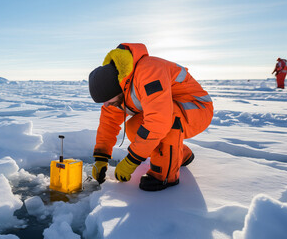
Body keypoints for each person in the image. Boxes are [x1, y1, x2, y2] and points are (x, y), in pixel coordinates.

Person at [88, 43, 213, 191]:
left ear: (118, 87)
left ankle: (164, 176)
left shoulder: (149, 71)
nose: (107, 105)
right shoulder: (119, 90)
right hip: (171, 109)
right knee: (135, 127)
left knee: (163, 120)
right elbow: (107, 124)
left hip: (197, 109)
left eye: (108, 100)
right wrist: (101, 158)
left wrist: (131, 161)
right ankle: (181, 154)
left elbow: (159, 121)